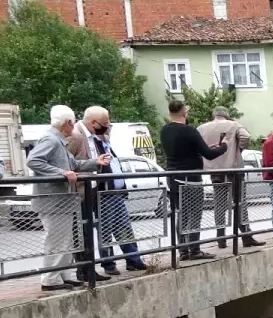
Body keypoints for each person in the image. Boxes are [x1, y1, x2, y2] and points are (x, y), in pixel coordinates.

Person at [29, 105, 110, 290]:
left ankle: (62, 275)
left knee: (65, 240)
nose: (73, 127)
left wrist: (94, 162)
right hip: (53, 201)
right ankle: (50, 279)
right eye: (72, 124)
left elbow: (73, 163)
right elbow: (33, 161)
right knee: (56, 240)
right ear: (68, 123)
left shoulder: (59, 140)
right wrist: (62, 172)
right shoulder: (51, 139)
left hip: (62, 201)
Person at [75, 106, 146, 274]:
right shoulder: (84, 138)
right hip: (102, 192)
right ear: (94, 124)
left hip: (114, 191)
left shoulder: (104, 141)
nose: (109, 128)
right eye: (106, 124)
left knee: (124, 227)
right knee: (105, 230)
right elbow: (76, 162)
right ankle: (108, 264)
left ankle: (133, 259)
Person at [160, 99, 227, 260]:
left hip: (173, 177)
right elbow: (209, 155)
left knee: (181, 213)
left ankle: (182, 250)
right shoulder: (189, 130)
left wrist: (201, 148)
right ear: (184, 112)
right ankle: (195, 250)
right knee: (195, 214)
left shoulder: (164, 131)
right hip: (191, 178)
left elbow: (183, 150)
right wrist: (224, 146)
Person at [198, 107, 259, 249]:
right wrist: (238, 150)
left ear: (214, 115)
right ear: (227, 115)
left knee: (219, 204)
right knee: (239, 202)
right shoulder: (234, 125)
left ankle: (221, 239)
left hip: (215, 169)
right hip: (234, 168)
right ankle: (246, 236)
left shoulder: (202, 128)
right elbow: (246, 137)